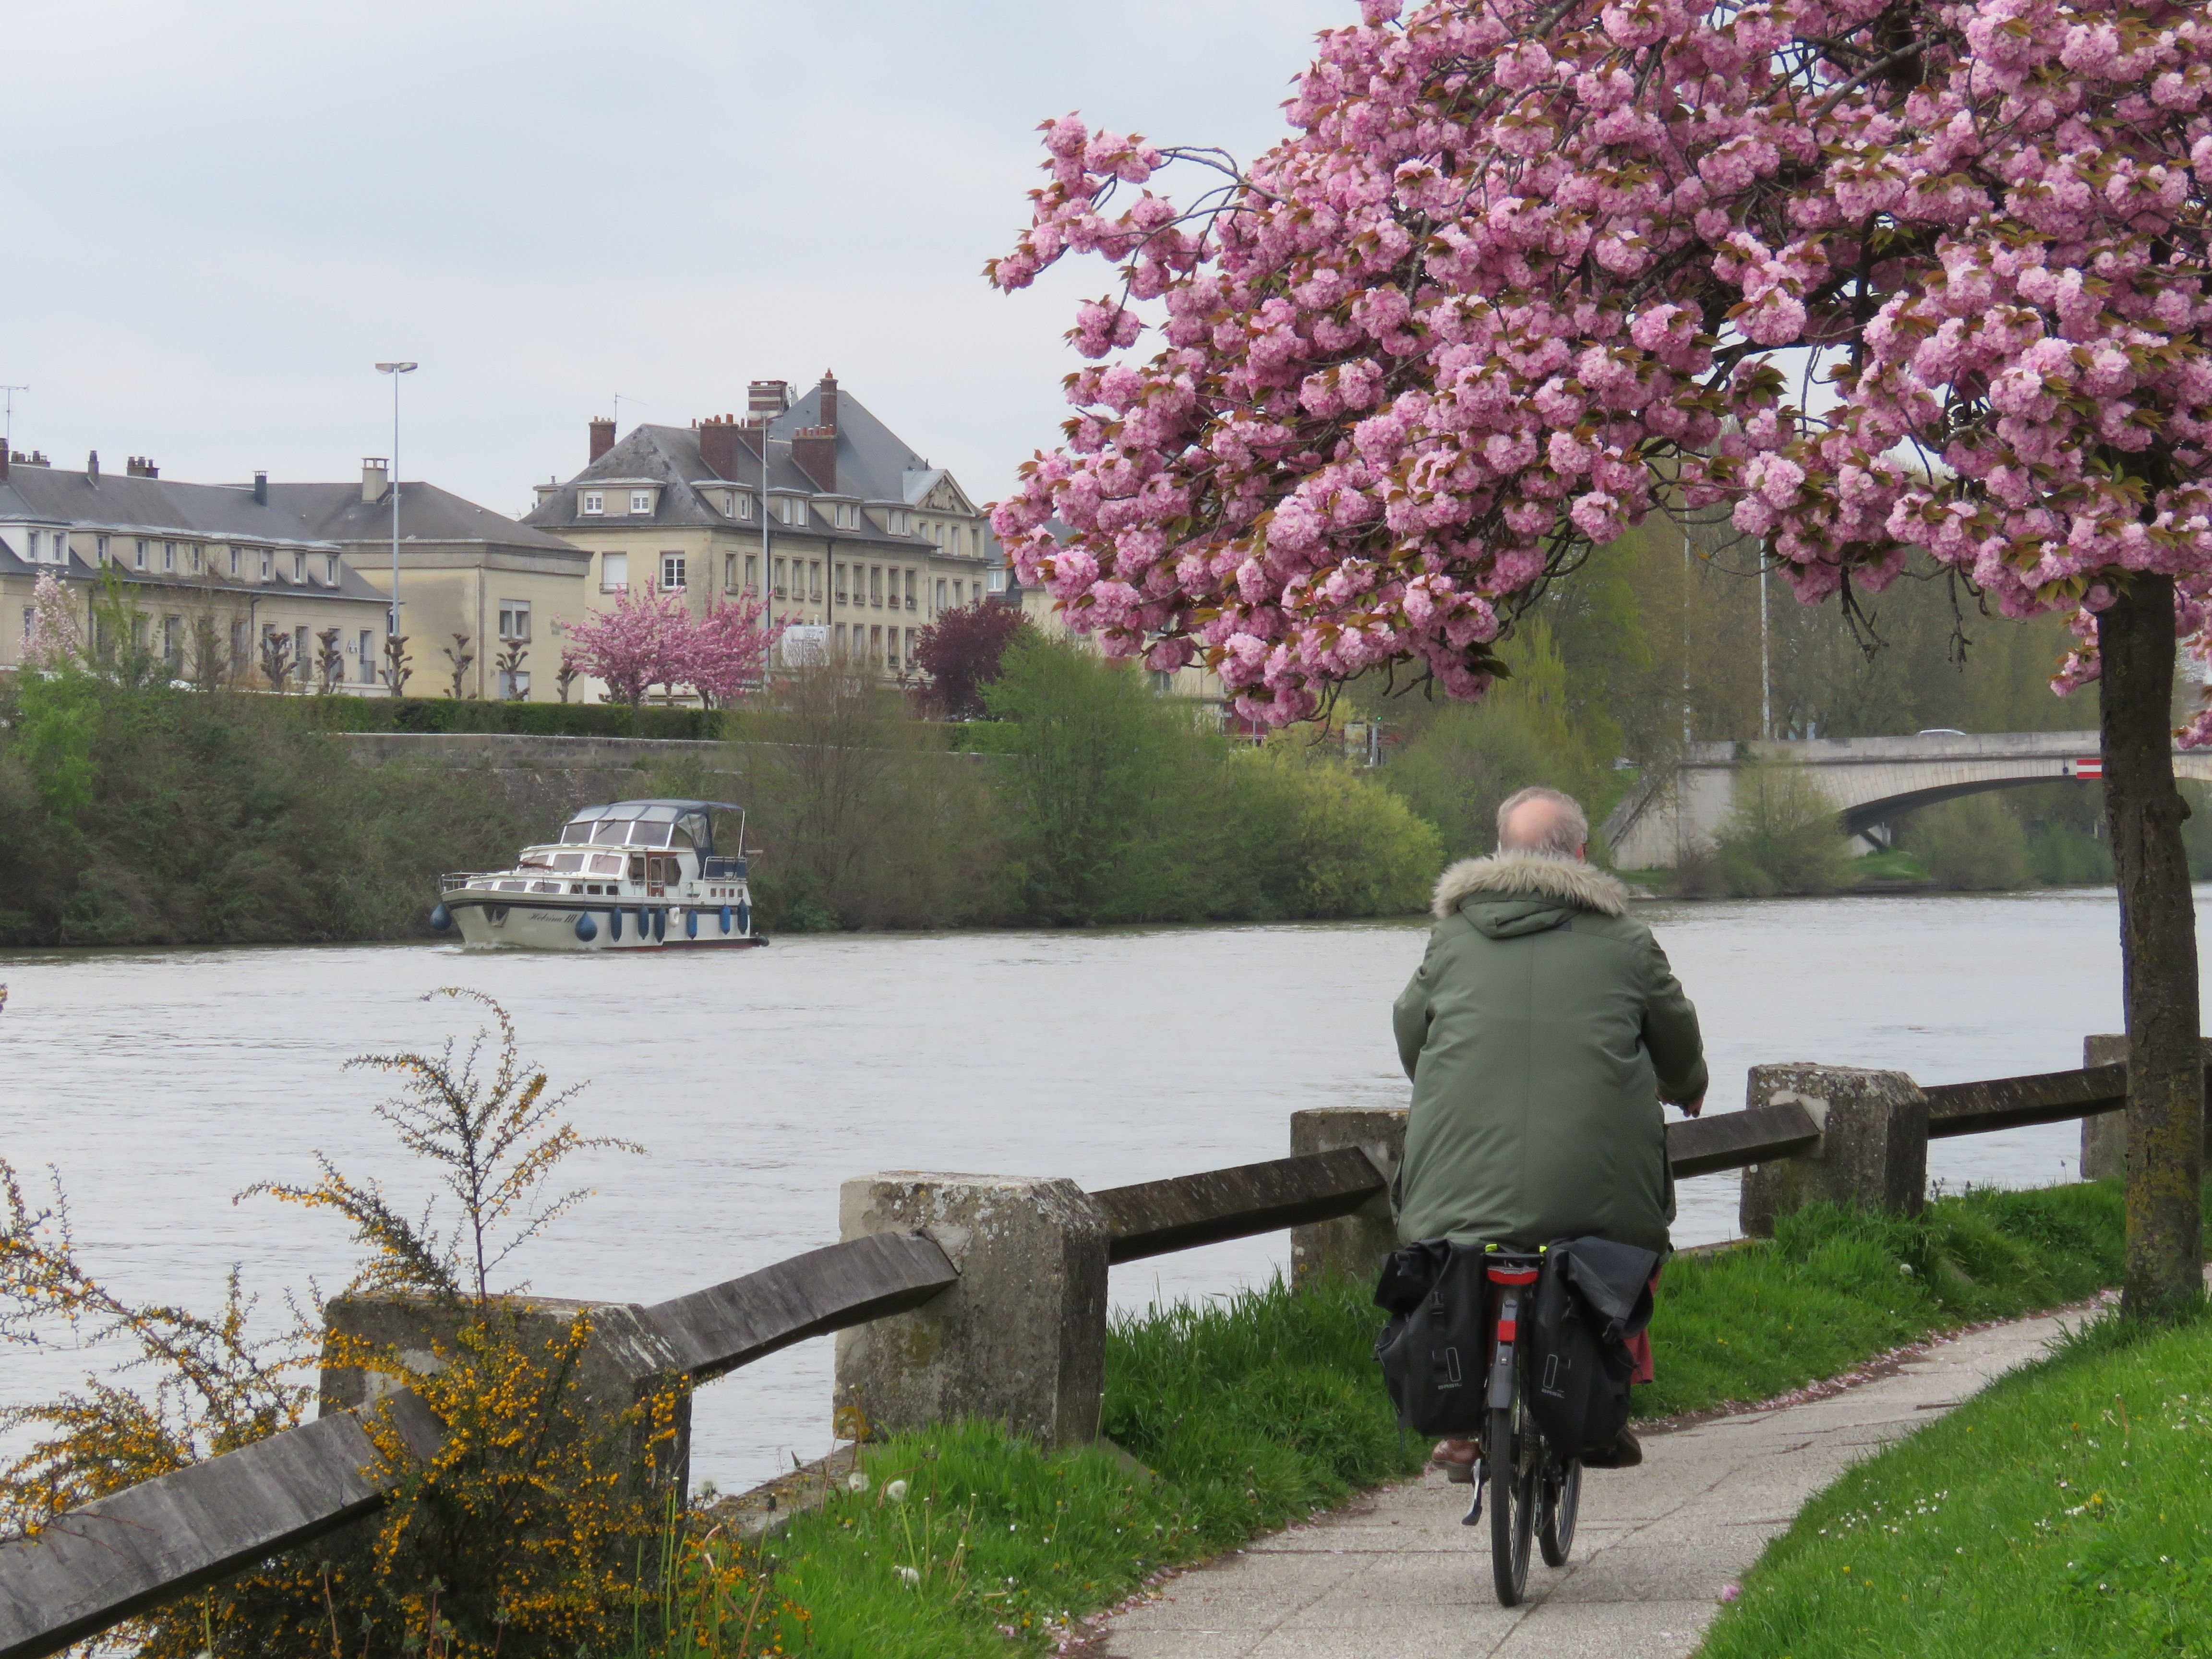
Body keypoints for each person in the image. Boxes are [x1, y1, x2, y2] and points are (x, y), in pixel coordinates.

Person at [1392, 785, 1707, 1474]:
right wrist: (1685, 1088)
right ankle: (1600, 1408)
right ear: (1583, 854)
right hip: (1594, 1188)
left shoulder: (1450, 939)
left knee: (1459, 1244)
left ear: (1500, 853)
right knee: (1627, 1247)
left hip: (1455, 1185)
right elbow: (1678, 1043)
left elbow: (1411, 1036)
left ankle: (1465, 1422)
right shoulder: (1626, 940)